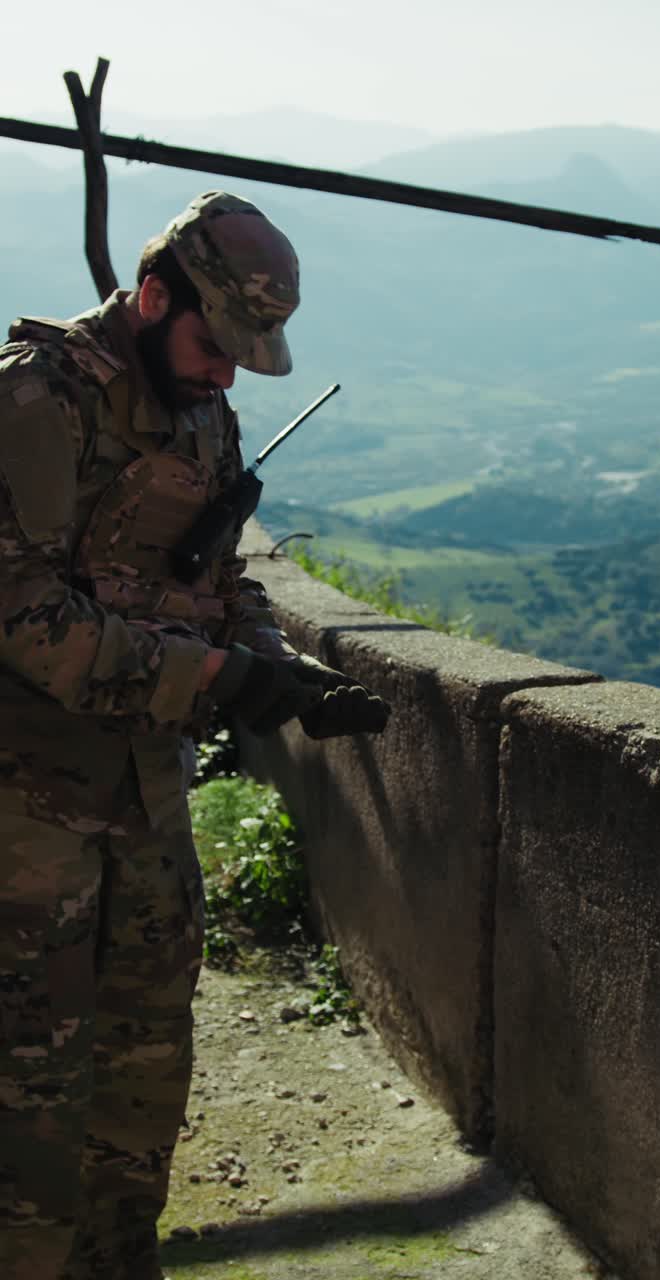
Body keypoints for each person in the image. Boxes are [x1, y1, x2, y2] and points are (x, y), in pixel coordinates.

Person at [0, 190, 390, 1280]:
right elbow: (24, 614)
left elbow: (220, 583)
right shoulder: (37, 401)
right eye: (217, 345)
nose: (229, 372)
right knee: (28, 1092)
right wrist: (216, 676)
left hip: (143, 798)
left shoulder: (200, 411)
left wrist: (280, 668)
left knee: (140, 1065)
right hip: (24, 813)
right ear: (155, 294)